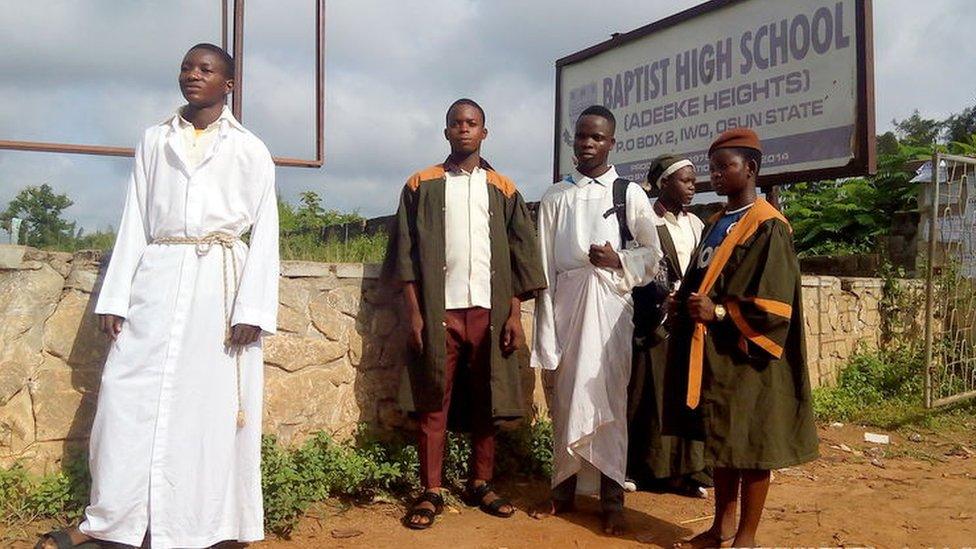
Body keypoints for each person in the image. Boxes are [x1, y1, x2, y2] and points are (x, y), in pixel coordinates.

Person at [36, 43, 279, 549]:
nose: (193, 75)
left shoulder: (250, 149)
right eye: (187, 67)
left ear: (228, 84)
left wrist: (252, 308)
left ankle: (209, 524)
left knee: (209, 408)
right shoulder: (154, 139)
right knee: (125, 397)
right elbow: (134, 219)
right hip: (159, 272)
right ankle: (110, 520)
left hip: (222, 283)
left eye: (206, 69)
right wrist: (116, 296)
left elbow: (267, 233)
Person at [384, 98, 546, 530]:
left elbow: (519, 257)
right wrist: (416, 315)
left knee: (486, 400)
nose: (464, 129)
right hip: (441, 312)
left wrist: (513, 314)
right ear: (446, 132)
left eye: (472, 123)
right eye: (456, 123)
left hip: (488, 313)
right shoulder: (422, 184)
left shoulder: (504, 188)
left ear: (484, 132)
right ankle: (431, 489)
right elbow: (404, 255)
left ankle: (481, 482)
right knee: (433, 398)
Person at [663, 128, 819, 548]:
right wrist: (683, 302)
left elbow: (774, 301)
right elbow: (704, 277)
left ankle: (746, 537)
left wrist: (715, 311)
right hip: (716, 353)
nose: (715, 175)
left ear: (750, 169)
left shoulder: (769, 226)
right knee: (723, 444)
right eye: (711, 168)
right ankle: (720, 528)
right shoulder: (716, 222)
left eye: (724, 167)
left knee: (751, 447)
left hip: (751, 356)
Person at [531, 105, 662, 535]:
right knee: (568, 398)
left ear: (611, 143)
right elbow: (543, 264)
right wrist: (545, 325)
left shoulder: (629, 193)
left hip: (610, 308)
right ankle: (563, 492)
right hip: (568, 304)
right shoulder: (555, 195)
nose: (587, 144)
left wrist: (616, 259)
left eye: (597, 138)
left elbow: (652, 256)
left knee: (607, 398)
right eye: (581, 137)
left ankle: (611, 500)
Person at [626, 154, 709, 498]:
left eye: (693, 180)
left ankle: (683, 472)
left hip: (688, 322)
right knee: (649, 395)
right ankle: (642, 469)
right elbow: (639, 265)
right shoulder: (646, 220)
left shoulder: (696, 225)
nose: (693, 186)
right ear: (664, 183)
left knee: (685, 396)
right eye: (685, 180)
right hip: (655, 323)